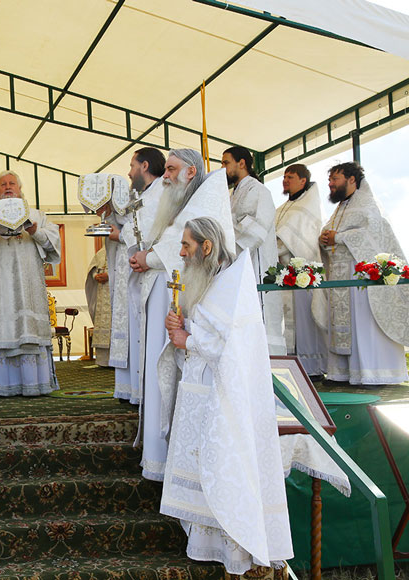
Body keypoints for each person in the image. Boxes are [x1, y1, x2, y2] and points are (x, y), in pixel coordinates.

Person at [158, 216, 293, 575]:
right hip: (201, 386)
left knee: (219, 462)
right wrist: (182, 328)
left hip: (221, 393)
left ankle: (233, 546)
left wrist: (188, 339)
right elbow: (208, 332)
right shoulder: (212, 280)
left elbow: (229, 345)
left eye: (187, 245)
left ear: (206, 247)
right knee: (202, 462)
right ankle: (205, 541)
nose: (182, 252)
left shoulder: (231, 285)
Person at [127, 149, 235, 481]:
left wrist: (150, 258)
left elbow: (181, 243)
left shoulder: (203, 201)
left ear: (191, 173)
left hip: (187, 308)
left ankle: (169, 457)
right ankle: (160, 453)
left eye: (172, 170)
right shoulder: (177, 199)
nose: (166, 176)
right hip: (167, 297)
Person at [313, 162, 409, 384]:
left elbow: (371, 237)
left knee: (363, 323)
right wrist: (324, 239)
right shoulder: (340, 208)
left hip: (361, 278)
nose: (330, 184)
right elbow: (330, 233)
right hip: (340, 277)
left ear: (352, 180)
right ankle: (343, 373)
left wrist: (339, 237)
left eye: (335, 179)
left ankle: (372, 373)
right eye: (330, 180)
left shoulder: (367, 206)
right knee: (347, 325)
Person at [0, 170, 61, 397]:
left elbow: (53, 246)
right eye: (3, 185)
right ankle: (1, 386)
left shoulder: (36, 215)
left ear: (20, 189)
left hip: (29, 286)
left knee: (28, 329)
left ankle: (33, 383)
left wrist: (34, 230)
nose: (8, 187)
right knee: (2, 326)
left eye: (12, 184)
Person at [109, 148, 164, 401]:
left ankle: (145, 393)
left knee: (146, 332)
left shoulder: (159, 194)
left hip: (151, 274)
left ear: (144, 166)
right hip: (135, 270)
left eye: (132, 166)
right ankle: (136, 390)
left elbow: (149, 232)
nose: (129, 172)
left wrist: (119, 235)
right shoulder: (145, 195)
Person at [222, 146, 285, 355]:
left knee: (258, 312)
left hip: (254, 262)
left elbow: (257, 226)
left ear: (242, 163)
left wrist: (229, 244)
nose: (223, 168)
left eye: (226, 163)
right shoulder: (233, 194)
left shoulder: (258, 191)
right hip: (237, 263)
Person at [275, 164, 327, 376]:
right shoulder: (282, 208)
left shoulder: (307, 206)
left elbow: (296, 237)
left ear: (303, 181)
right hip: (284, 273)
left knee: (304, 324)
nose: (285, 180)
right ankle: (291, 367)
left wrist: (276, 245)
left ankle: (311, 369)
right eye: (284, 176)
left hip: (303, 274)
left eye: (291, 177)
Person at [85, 246, 111, 366]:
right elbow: (92, 268)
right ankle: (102, 360)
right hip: (101, 292)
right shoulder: (102, 251)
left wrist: (110, 276)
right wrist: (95, 275)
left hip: (115, 294)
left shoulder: (123, 250)